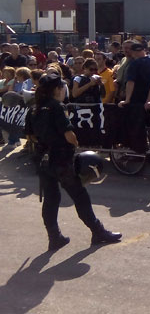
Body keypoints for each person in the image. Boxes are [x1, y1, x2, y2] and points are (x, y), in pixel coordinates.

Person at [25, 73, 121, 251]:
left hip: (43, 159)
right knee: (80, 196)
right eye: (62, 87)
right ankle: (98, 231)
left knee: (51, 198)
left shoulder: (34, 108)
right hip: (61, 159)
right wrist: (75, 145)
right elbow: (69, 135)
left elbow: (30, 135)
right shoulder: (56, 107)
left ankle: (54, 237)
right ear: (57, 89)